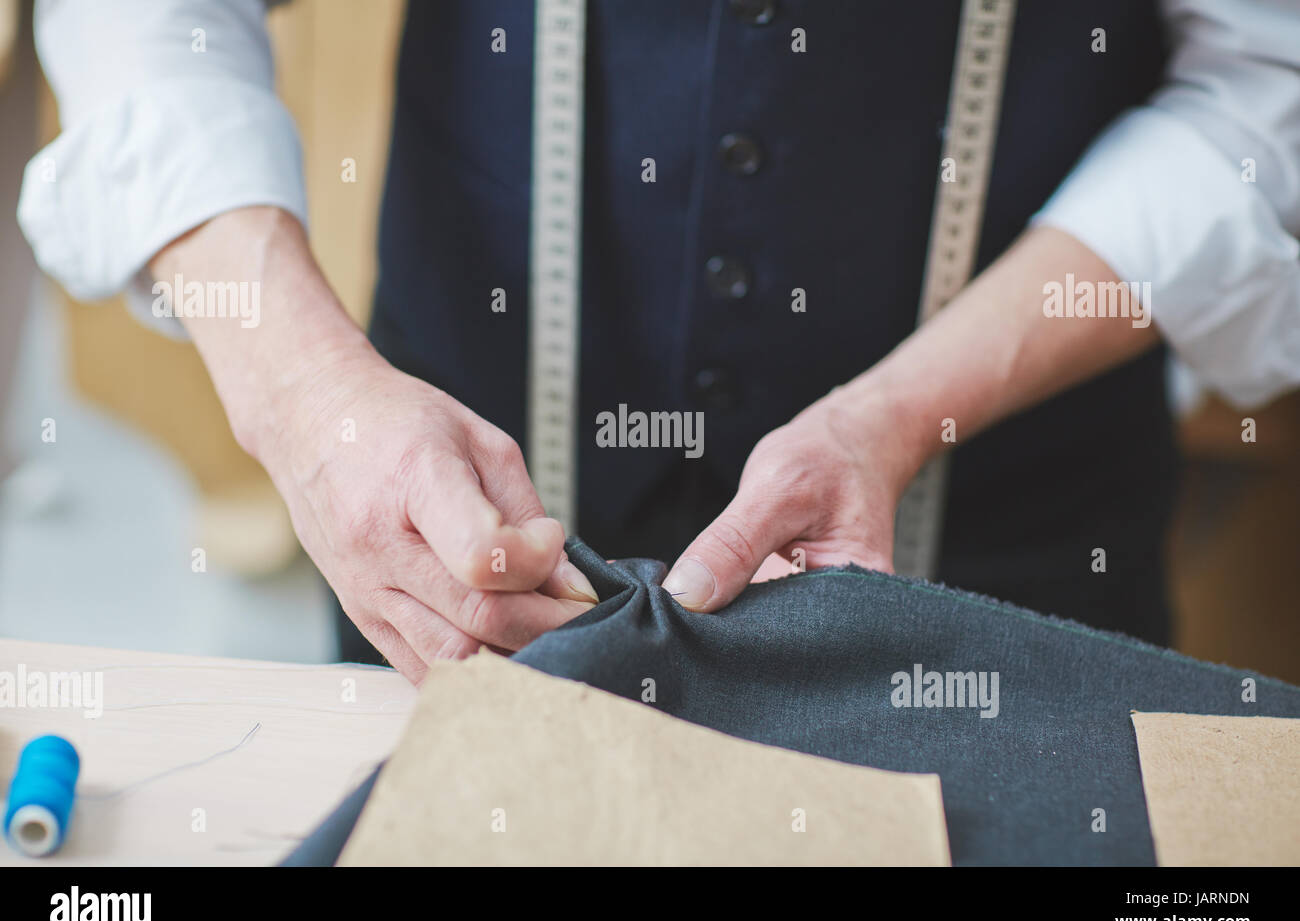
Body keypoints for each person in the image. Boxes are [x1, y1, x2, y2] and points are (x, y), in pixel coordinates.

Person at [19, 0, 1300, 681]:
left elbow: (1266, 82)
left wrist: (900, 412)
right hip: (446, 544)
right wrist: (306, 396)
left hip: (1008, 544)